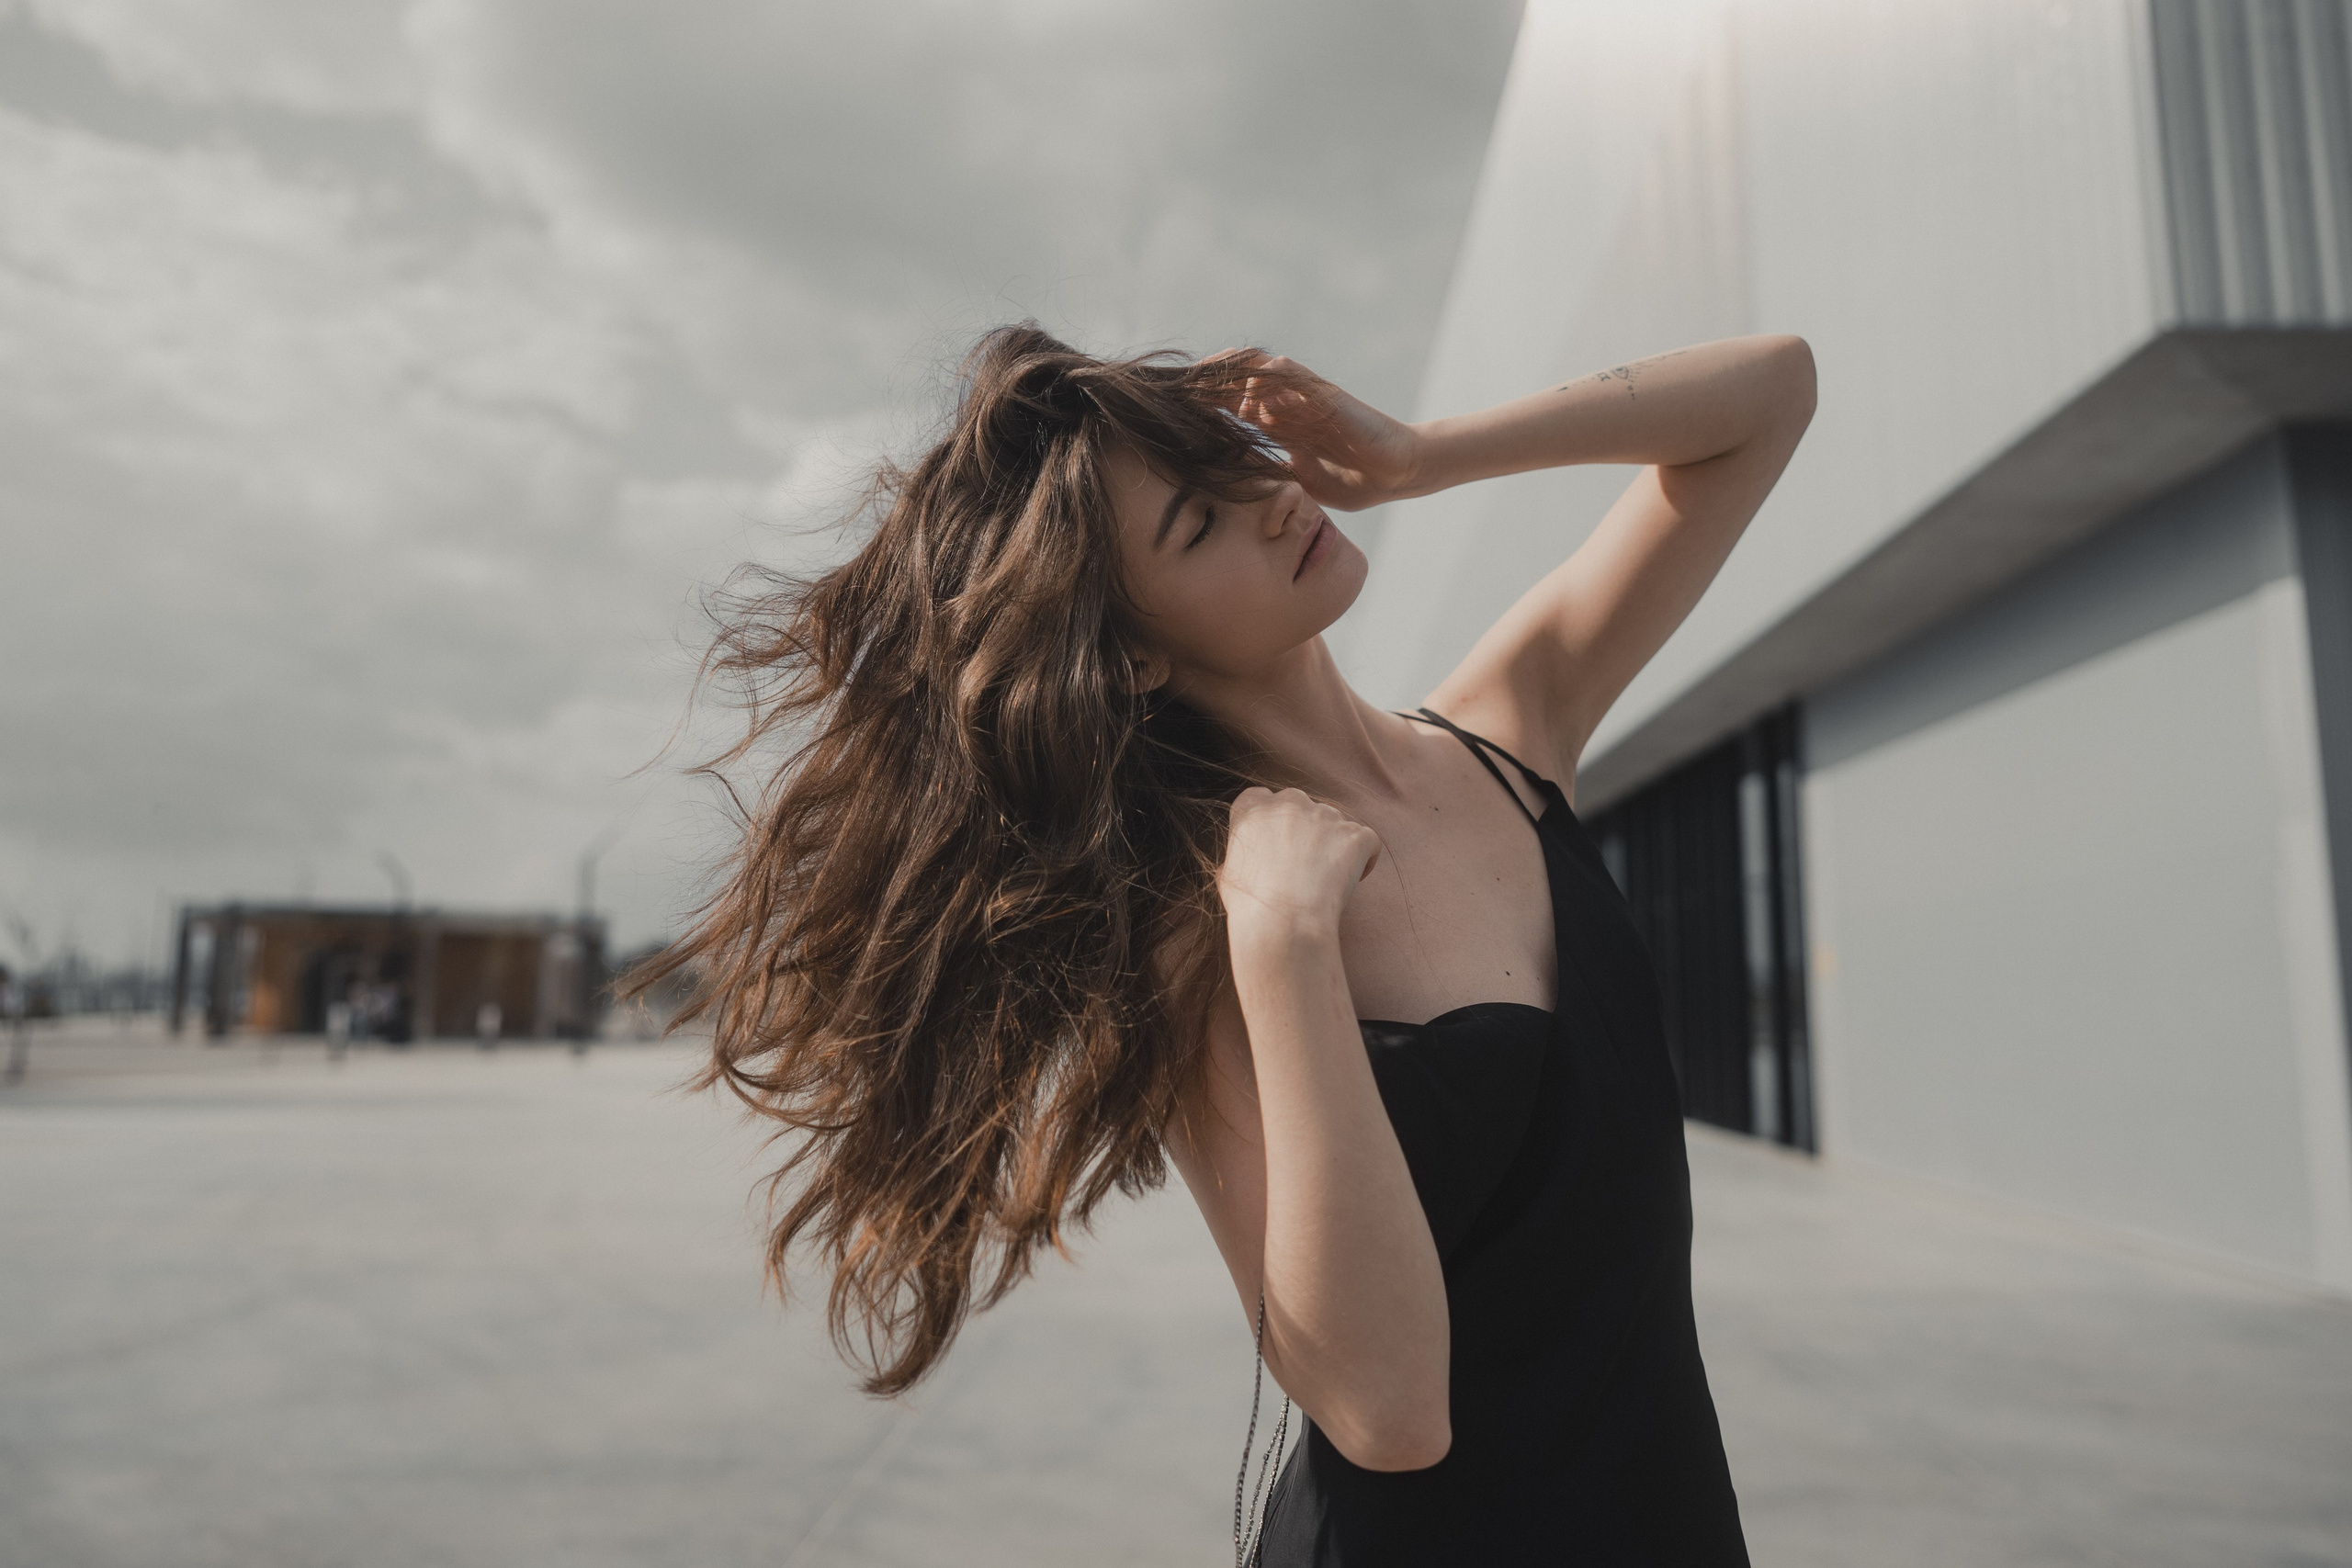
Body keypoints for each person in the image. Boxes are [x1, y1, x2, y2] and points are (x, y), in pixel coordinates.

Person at [640, 321, 1815, 1564]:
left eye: (1234, 457)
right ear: (1135, 655)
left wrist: (1420, 455)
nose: (1268, 499)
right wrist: (1288, 951)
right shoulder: (1207, 938)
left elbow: (1771, 395)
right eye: (1197, 522)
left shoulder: (1507, 733)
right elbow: (1386, 1409)